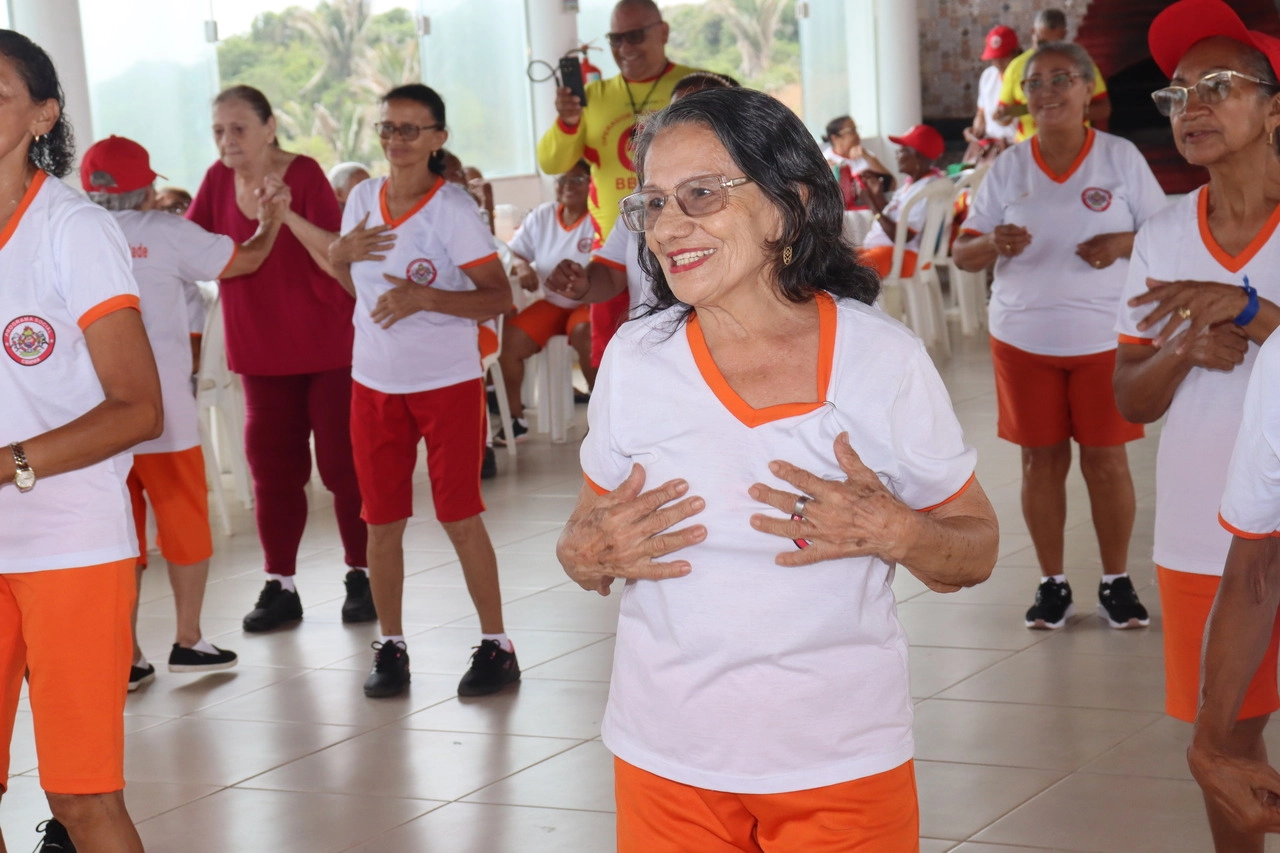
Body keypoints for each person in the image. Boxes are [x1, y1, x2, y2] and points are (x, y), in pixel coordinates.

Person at [557, 86, 999, 851]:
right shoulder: (635, 359)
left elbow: (977, 546)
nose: (668, 226)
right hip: (668, 755)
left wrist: (898, 530)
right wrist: (583, 556)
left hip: (841, 757)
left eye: (701, 194)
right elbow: (584, 535)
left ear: (788, 202)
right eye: (653, 203)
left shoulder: (880, 358)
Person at [1113, 1, 1280, 848]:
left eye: (1218, 86)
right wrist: (1185, 348)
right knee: (1228, 744)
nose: (1193, 109)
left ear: (1276, 107)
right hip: (1202, 531)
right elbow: (1130, 399)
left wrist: (1251, 309)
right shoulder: (1165, 235)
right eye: (1177, 96)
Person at [0, 29, 162, 853]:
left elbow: (139, 407)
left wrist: (9, 464)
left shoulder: (74, 231)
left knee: (79, 795)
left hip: (69, 547)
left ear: (42, 115)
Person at [953, 42, 1166, 631]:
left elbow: (1162, 234)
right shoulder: (1009, 167)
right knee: (1039, 463)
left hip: (1106, 339)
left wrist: (1121, 244)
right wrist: (994, 243)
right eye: (1036, 82)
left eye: (1060, 80)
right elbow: (963, 252)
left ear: (1087, 89)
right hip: (1023, 338)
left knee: (1105, 462)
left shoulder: (1120, 159)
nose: (1047, 92)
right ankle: (1053, 584)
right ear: (1023, 97)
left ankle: (1117, 582)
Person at [324, 84, 520, 698]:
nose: (396, 140)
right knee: (380, 521)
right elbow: (347, 275)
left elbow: (499, 296)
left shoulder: (451, 209)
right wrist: (338, 250)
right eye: (387, 128)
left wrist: (426, 297)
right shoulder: (361, 196)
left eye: (410, 129)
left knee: (458, 515)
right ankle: (391, 645)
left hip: (445, 382)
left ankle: (497, 645)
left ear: (438, 138)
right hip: (374, 382)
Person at [80, 135, 290, 690]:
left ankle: (126, 656)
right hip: (162, 416)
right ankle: (189, 639)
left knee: (117, 537)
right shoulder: (166, 232)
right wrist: (271, 219)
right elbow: (246, 259)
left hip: (95, 424)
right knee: (184, 526)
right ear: (147, 187)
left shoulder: (72, 234)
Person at [187, 85, 373, 634]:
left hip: (326, 344)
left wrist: (283, 215)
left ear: (270, 127)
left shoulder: (307, 174)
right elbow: (193, 248)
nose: (227, 140)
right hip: (259, 352)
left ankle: (361, 573)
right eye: (219, 130)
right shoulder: (217, 181)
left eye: (239, 128)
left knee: (342, 467)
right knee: (272, 473)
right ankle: (281, 584)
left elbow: (336, 251)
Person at [537, 0, 698, 373]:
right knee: (609, 360)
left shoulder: (694, 86)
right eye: (616, 39)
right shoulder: (590, 98)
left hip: (682, 238)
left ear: (664, 32)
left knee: (681, 360)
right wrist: (567, 122)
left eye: (636, 36)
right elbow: (552, 164)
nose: (625, 48)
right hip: (616, 246)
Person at [543, 71, 737, 320]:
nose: (667, 231)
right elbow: (611, 272)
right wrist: (581, 284)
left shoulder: (745, 188)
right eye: (677, 114)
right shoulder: (643, 195)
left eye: (702, 115)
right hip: (653, 341)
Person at [494, 159, 595, 443]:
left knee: (586, 334)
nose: (567, 186)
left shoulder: (598, 216)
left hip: (588, 303)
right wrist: (523, 266)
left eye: (577, 180)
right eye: (562, 179)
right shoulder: (543, 216)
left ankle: (600, 420)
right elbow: (513, 253)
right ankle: (516, 419)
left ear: (592, 183)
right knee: (509, 342)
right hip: (552, 303)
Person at [995, 9, 1110, 142]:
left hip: (1074, 146)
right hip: (1029, 148)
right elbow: (1003, 118)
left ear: (1064, 36)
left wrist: (1067, 111)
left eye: (1055, 45)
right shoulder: (1016, 67)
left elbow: (1103, 109)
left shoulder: (1080, 62)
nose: (1047, 51)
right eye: (1042, 43)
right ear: (1033, 32)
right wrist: (1003, 115)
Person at [858, 124, 948, 278]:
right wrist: (876, 195)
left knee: (846, 272)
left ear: (918, 157)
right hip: (885, 251)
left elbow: (903, 236)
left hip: (901, 255)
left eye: (902, 150)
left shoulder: (925, 190)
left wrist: (873, 206)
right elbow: (895, 218)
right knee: (832, 262)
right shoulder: (912, 185)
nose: (897, 154)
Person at [964, 25, 1020, 163]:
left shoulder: (1024, 77)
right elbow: (981, 114)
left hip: (1016, 148)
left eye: (1002, 57)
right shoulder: (988, 76)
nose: (998, 63)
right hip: (989, 149)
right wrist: (975, 131)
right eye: (994, 58)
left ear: (1015, 52)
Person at [821, 114, 896, 209]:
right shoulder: (826, 160)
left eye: (856, 130)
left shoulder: (864, 154)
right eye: (851, 131)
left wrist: (867, 156)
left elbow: (892, 184)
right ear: (835, 138)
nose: (857, 135)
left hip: (873, 207)